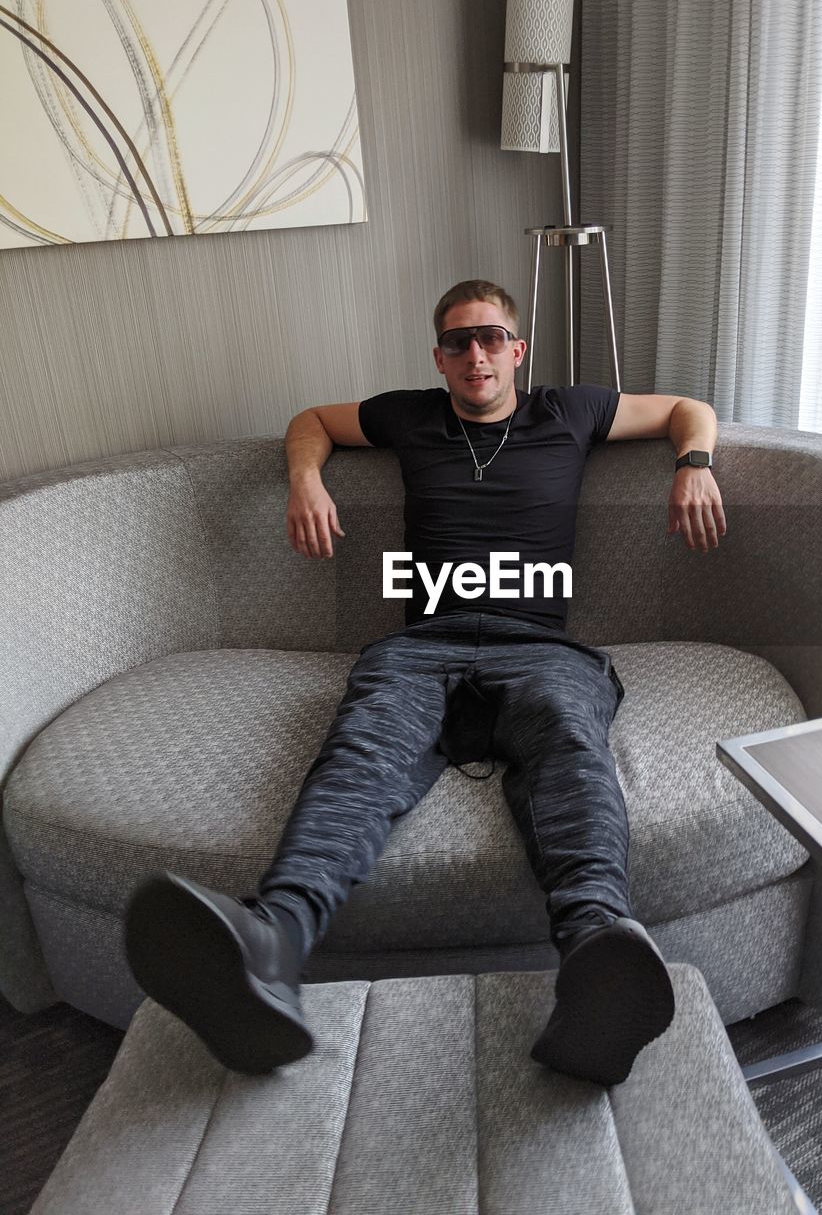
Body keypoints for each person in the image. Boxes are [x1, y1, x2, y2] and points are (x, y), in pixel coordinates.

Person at [125, 279, 727, 1086]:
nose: (474, 355)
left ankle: (596, 961)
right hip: (422, 648)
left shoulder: (570, 411)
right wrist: (306, 480)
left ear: (516, 349)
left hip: (536, 648)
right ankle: (269, 948)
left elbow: (688, 407)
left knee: (571, 749)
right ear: (438, 357)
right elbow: (311, 422)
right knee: (362, 754)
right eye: (456, 343)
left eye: (489, 339)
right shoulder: (410, 415)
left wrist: (693, 465)